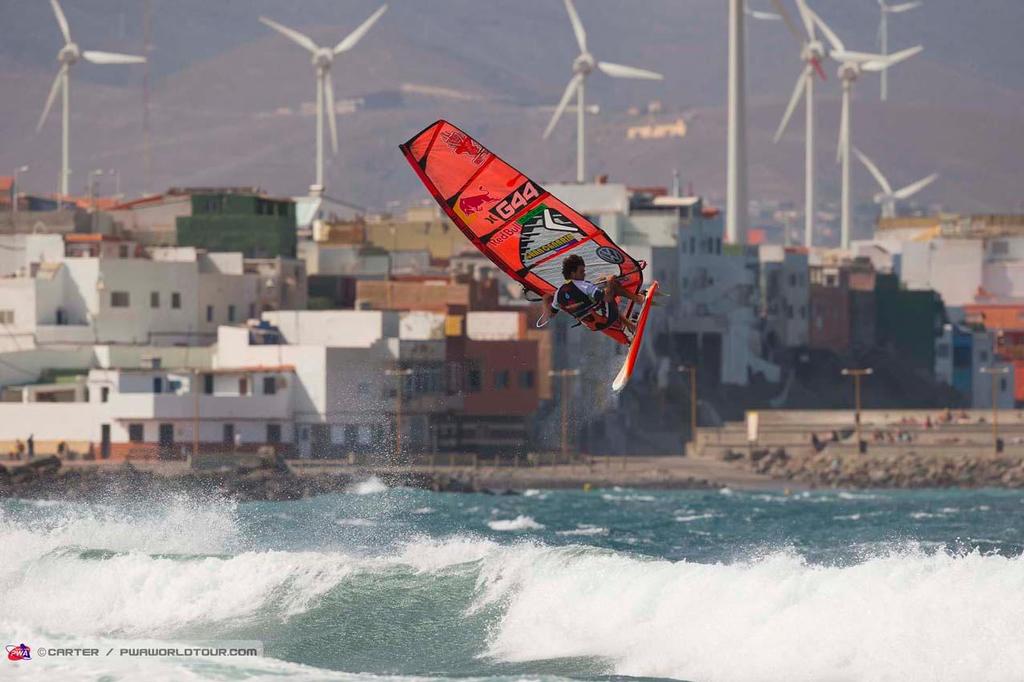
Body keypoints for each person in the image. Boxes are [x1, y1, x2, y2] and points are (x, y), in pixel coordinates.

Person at [541, 254, 648, 334]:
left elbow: (552, 314)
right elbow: (607, 297)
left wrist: (546, 300)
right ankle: (638, 299)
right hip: (607, 318)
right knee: (611, 285)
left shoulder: (558, 294)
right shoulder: (584, 286)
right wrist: (610, 281)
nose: (584, 274)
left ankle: (629, 325)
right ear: (573, 273)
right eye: (581, 272)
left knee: (601, 283)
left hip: (593, 326)